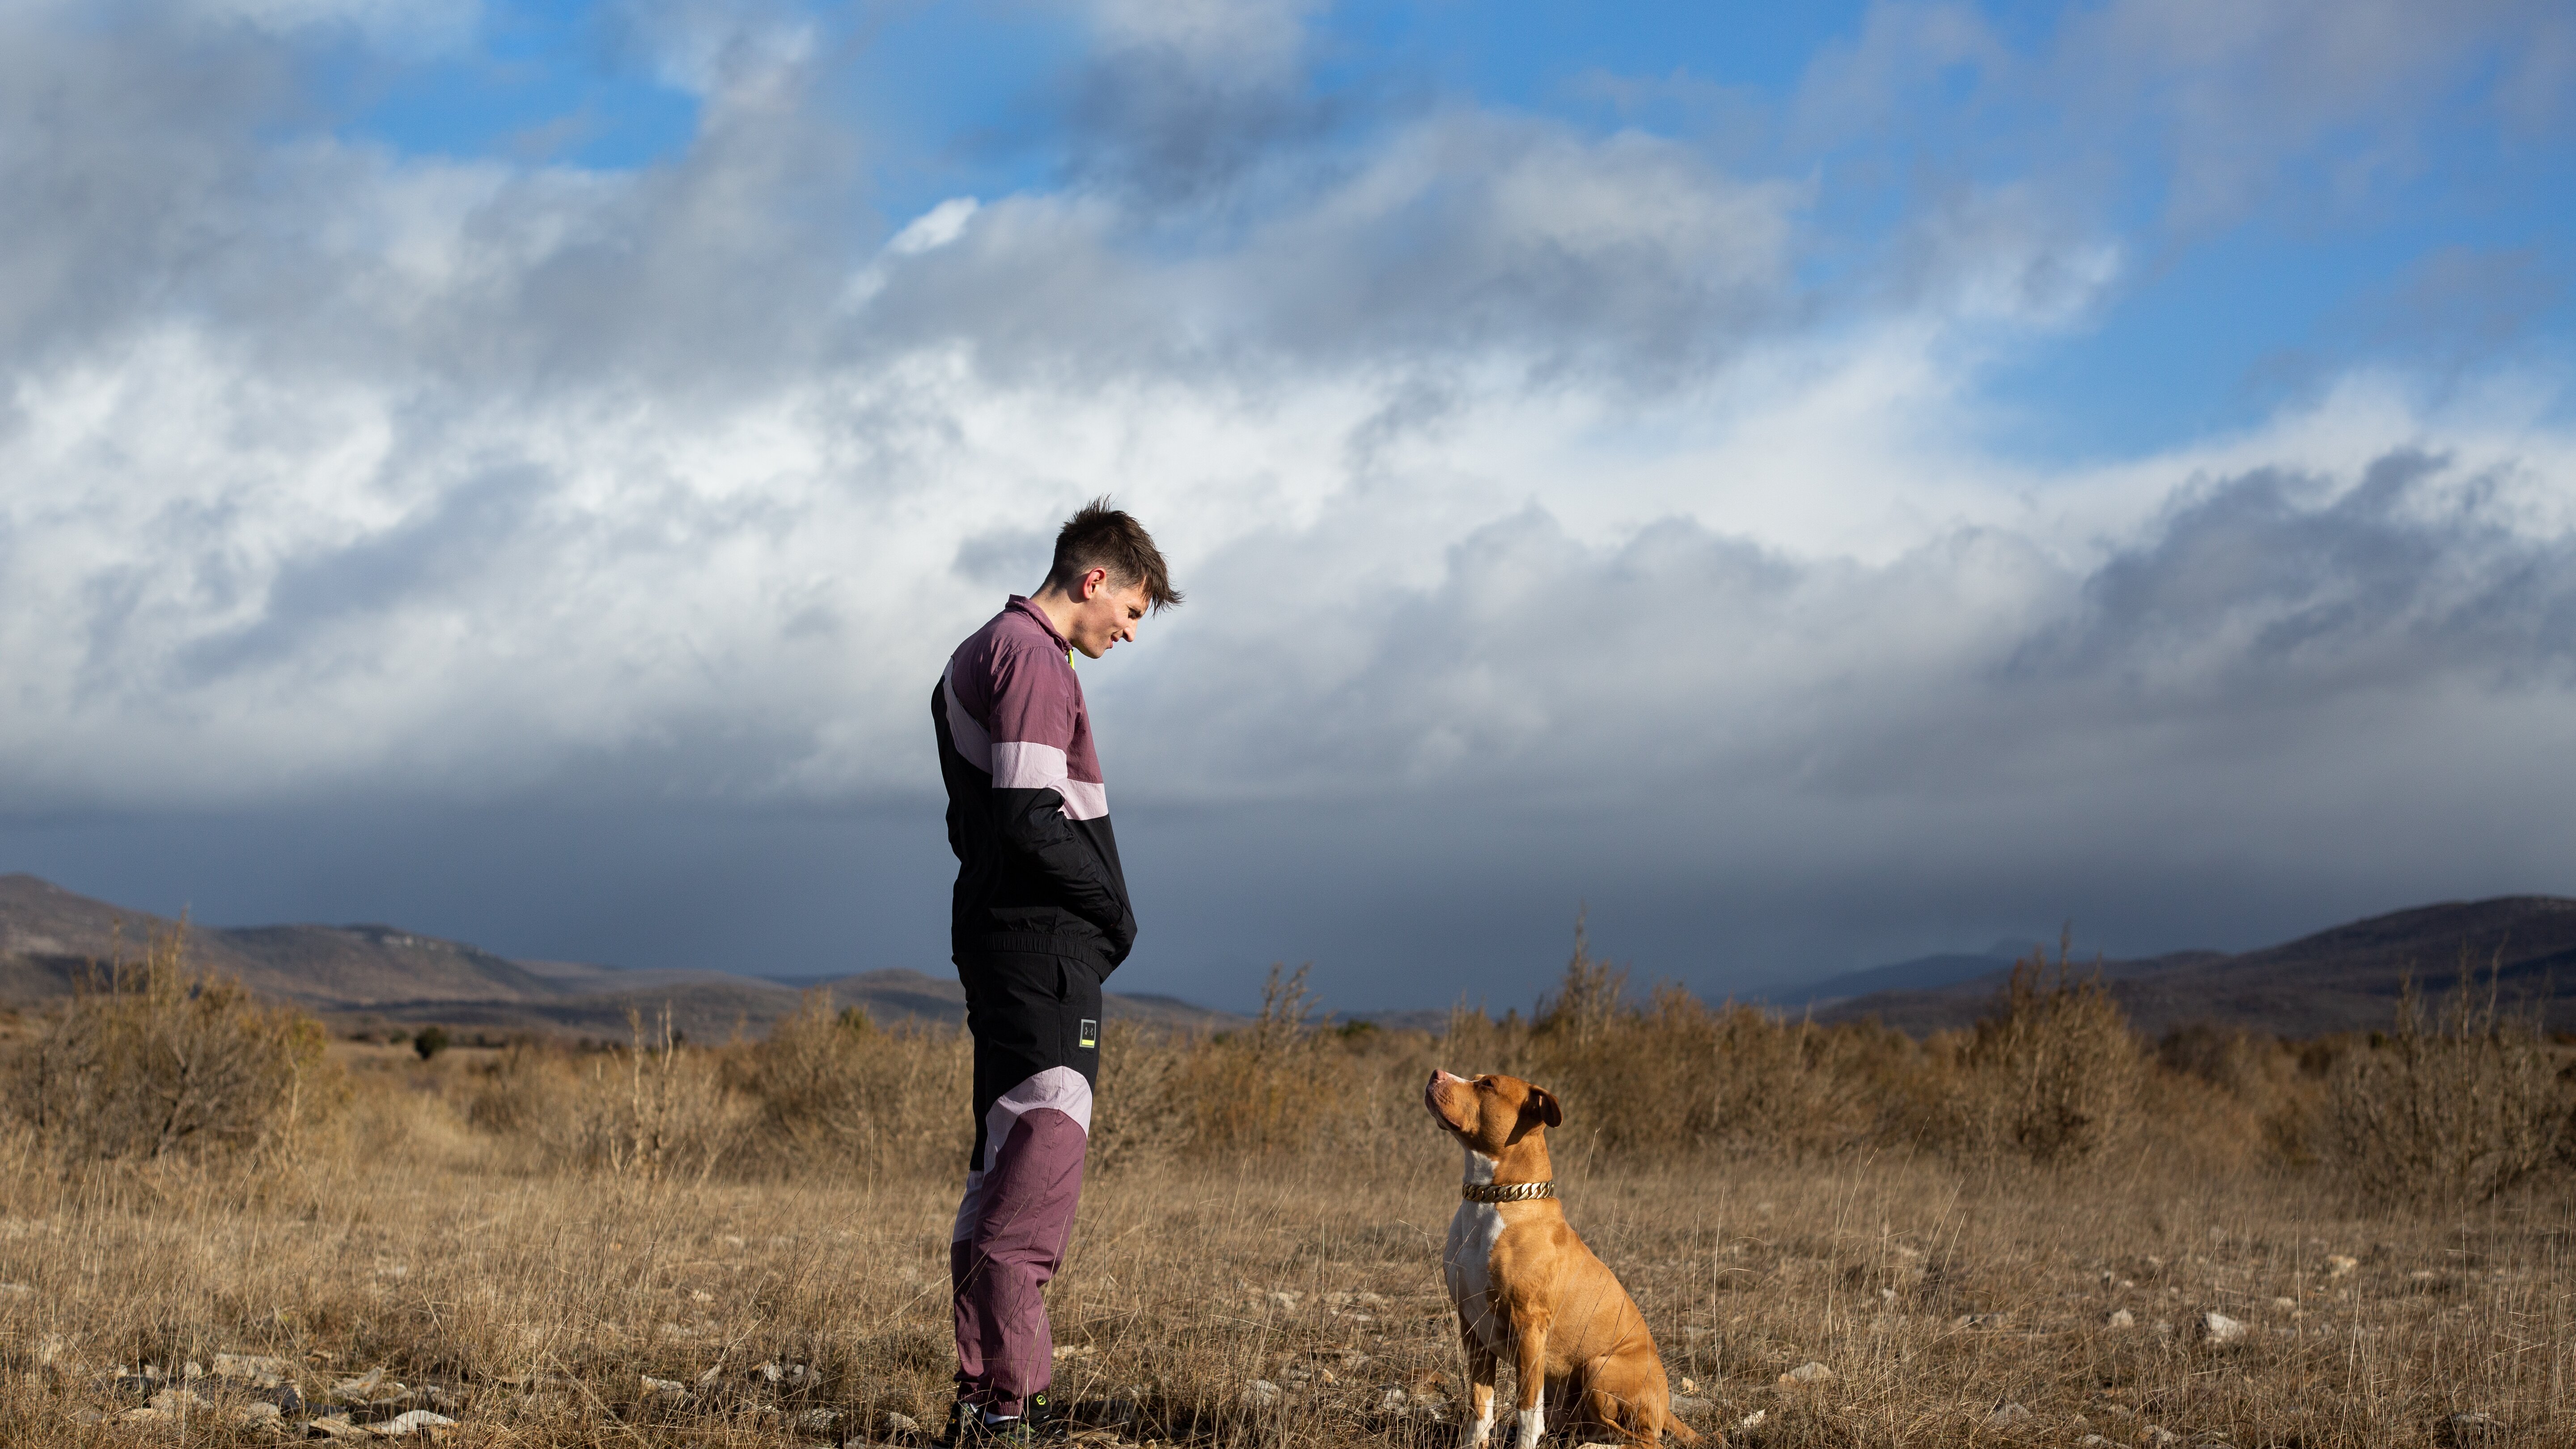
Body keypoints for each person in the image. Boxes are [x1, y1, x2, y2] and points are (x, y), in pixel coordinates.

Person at [929, 499, 1181, 1445]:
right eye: (1132, 612)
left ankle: (982, 1401)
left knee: (1001, 1169)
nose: (1130, 632)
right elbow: (1031, 816)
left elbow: (975, 825)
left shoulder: (979, 653)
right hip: (1041, 955)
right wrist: (1113, 911)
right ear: (1095, 579)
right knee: (1036, 1171)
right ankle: (1014, 1408)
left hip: (1007, 944)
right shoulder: (1031, 657)